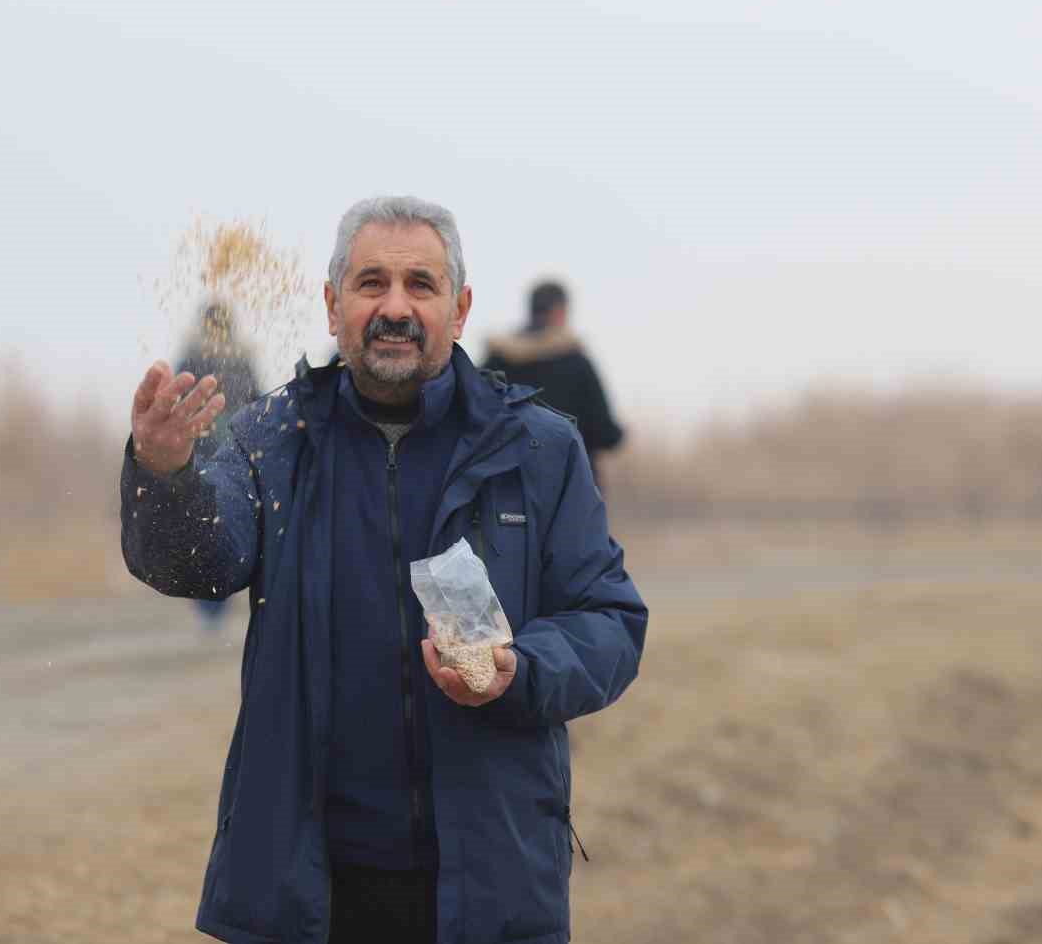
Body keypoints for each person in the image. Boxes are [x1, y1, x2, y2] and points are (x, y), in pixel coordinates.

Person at [121, 196, 648, 943]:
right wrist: (164, 473)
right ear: (333, 305)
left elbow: (610, 621)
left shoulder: (538, 449)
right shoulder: (271, 438)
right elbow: (196, 563)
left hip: (488, 885)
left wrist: (520, 669)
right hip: (310, 892)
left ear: (460, 310)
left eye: (420, 286)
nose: (394, 306)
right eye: (371, 284)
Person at [483, 280, 625, 494]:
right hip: (571, 491)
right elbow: (606, 434)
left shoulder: (496, 361)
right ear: (559, 312)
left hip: (505, 492)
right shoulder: (576, 362)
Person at [173, 301, 261, 635]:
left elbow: (258, 399)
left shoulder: (237, 359)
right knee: (205, 529)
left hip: (230, 456)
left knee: (221, 527)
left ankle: (215, 610)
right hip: (204, 454)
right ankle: (210, 610)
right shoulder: (198, 357)